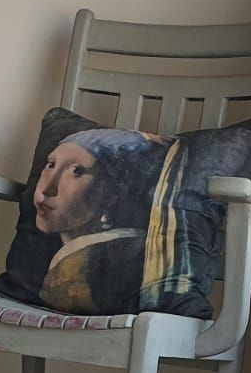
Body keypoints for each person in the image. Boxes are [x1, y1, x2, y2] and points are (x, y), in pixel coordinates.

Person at [32, 128, 170, 314]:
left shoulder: (85, 268)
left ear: (113, 192)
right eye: (50, 165)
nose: (48, 189)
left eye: (75, 171)